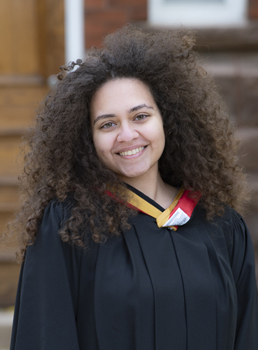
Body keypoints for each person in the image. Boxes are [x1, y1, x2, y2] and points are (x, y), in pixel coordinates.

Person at [10, 25, 258, 350]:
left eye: (140, 116)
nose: (127, 135)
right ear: (88, 139)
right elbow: (44, 337)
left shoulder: (221, 225)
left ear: (167, 119)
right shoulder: (67, 227)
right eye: (108, 124)